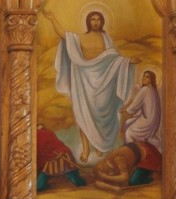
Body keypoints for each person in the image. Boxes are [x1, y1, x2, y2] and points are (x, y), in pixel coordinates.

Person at [41, 2, 138, 164]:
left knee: (104, 118)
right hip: (85, 83)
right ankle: (86, 149)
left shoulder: (107, 39)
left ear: (102, 22)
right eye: (92, 19)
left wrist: (127, 62)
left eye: (98, 19)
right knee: (83, 117)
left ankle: (100, 146)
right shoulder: (81, 38)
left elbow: (114, 60)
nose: (95, 22)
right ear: (88, 22)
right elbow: (64, 36)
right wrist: (52, 19)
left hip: (105, 84)